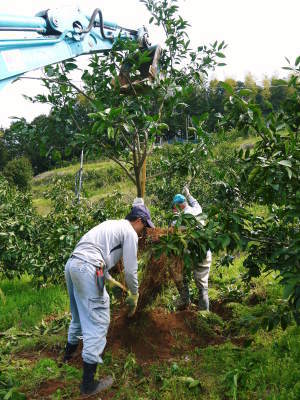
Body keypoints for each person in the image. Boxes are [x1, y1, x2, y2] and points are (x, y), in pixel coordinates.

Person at [63, 204, 154, 396]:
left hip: (72, 264)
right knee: (98, 321)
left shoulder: (111, 224)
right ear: (138, 221)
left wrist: (114, 285)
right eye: (144, 228)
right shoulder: (130, 232)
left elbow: (100, 263)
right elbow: (130, 270)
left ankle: (67, 356)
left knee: (78, 314)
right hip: (87, 266)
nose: (143, 233)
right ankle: (88, 384)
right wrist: (134, 293)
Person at [172, 187, 212, 311]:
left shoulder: (179, 219)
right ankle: (203, 314)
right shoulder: (197, 210)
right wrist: (188, 194)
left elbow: (174, 231)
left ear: (179, 206)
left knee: (177, 273)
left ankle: (185, 300)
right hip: (203, 250)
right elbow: (195, 203)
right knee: (202, 286)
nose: (173, 210)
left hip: (188, 253)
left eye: (174, 207)